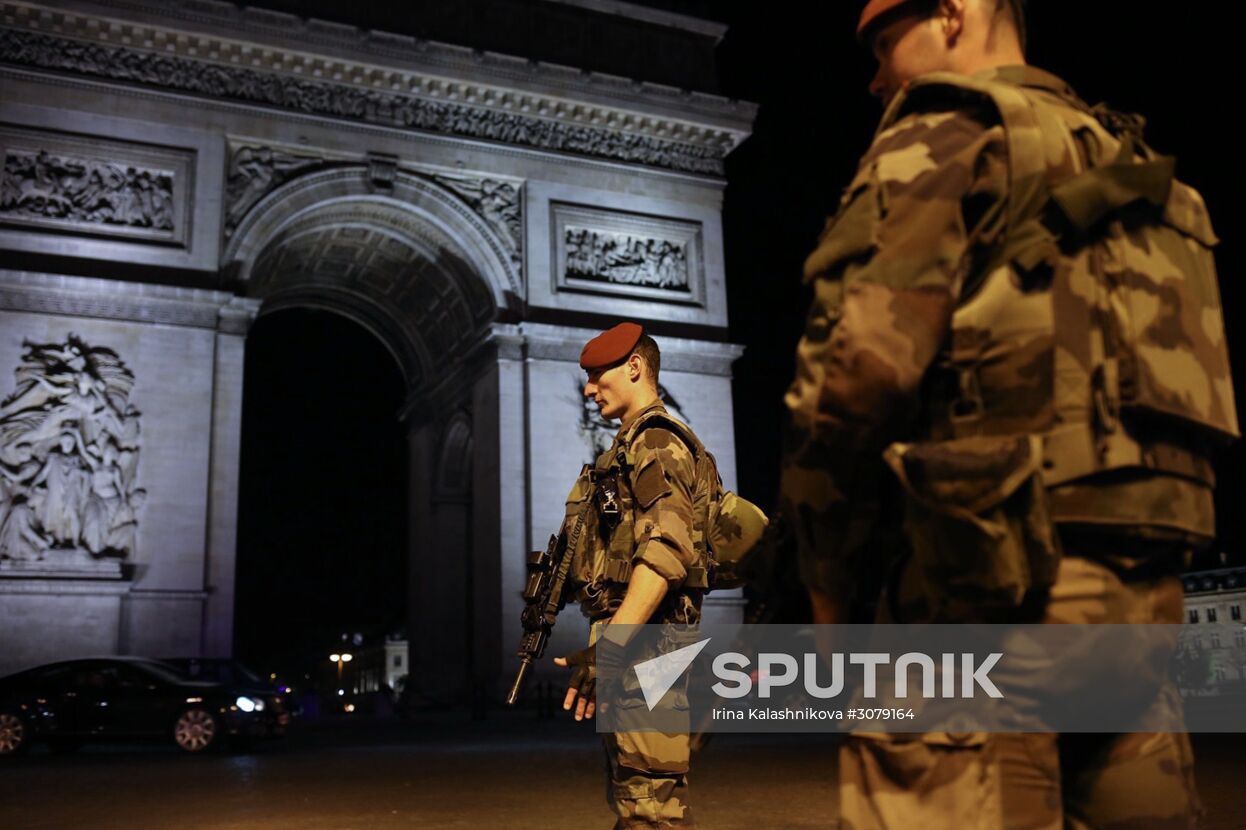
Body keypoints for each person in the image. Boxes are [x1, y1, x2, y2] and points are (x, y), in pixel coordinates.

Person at [779, 0, 1237, 827]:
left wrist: (828, 588)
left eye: (885, 42)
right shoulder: (1123, 156)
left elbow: (847, 386)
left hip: (984, 595)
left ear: (954, 13)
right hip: (1137, 602)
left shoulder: (947, 132)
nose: (876, 76)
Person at [554, 322, 718, 829]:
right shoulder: (627, 448)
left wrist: (613, 647)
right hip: (639, 643)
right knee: (637, 798)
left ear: (634, 367)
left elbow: (666, 552)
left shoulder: (657, 443)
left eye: (596, 374)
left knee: (651, 808)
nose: (587, 388)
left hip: (649, 648)